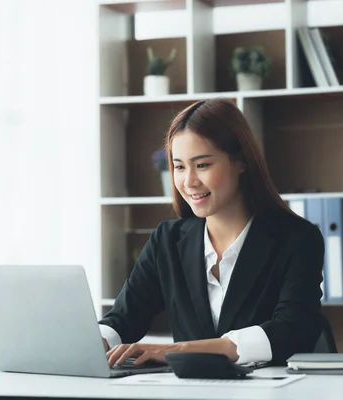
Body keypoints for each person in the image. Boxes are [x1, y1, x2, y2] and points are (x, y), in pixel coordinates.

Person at [98, 98, 325, 367]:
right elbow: (124, 317)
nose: (189, 181)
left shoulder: (297, 239)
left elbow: (292, 330)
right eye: (180, 167)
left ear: (240, 161)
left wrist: (178, 349)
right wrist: (95, 342)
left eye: (202, 165)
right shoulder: (167, 240)